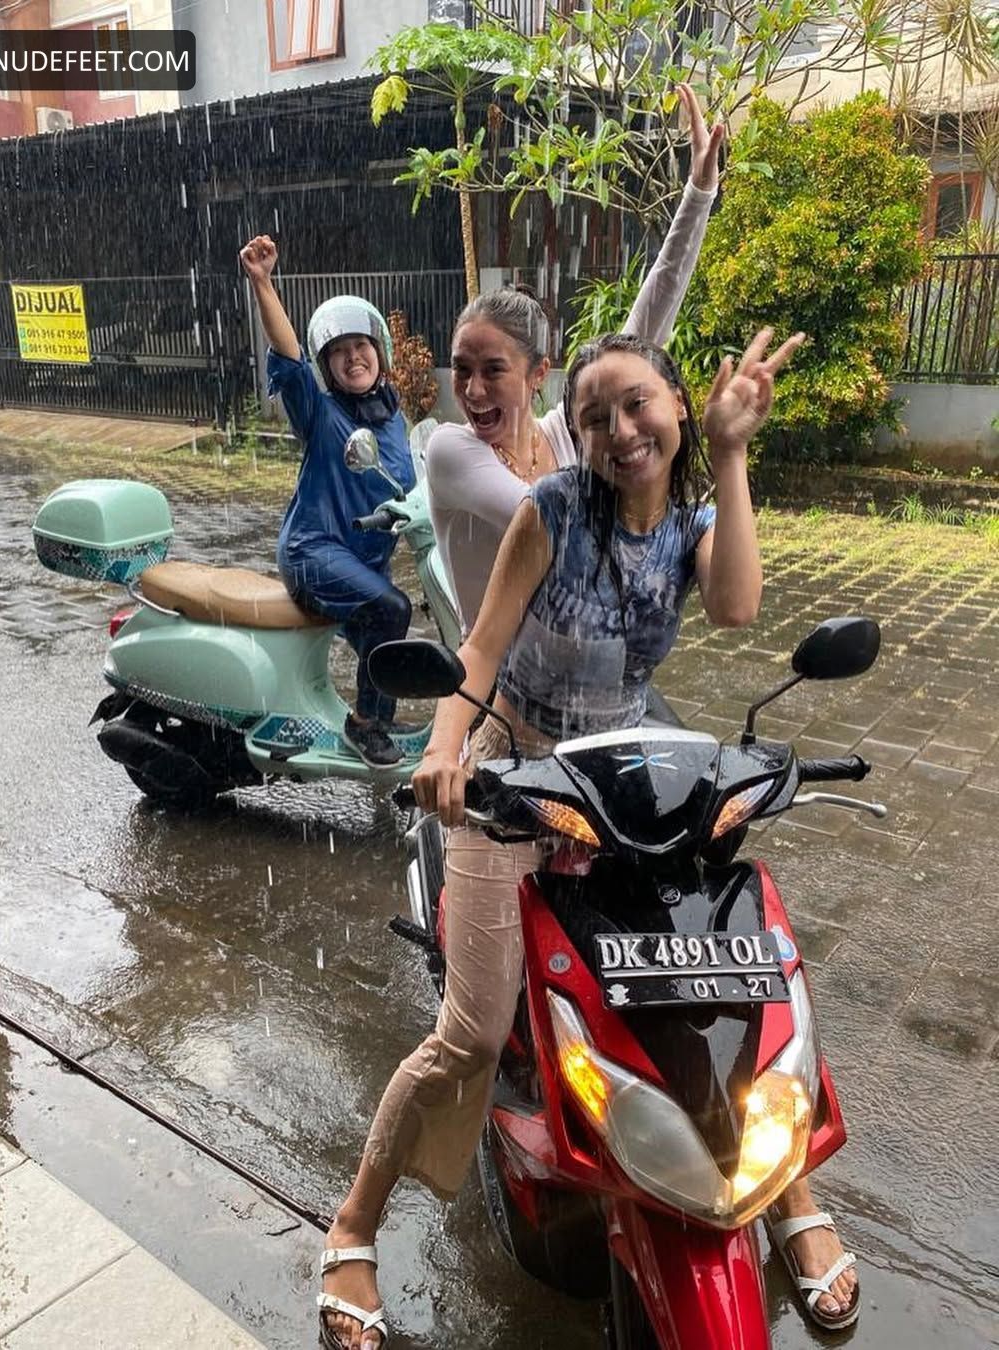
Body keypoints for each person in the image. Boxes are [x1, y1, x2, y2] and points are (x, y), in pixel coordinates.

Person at [318, 327, 861, 1349]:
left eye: (636, 404)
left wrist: (735, 453)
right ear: (578, 432)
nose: (620, 430)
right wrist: (446, 753)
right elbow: (480, 649)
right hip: (520, 776)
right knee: (472, 1034)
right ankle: (353, 1227)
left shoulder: (696, 519)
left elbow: (738, 607)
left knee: (731, 978)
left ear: (678, 407)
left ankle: (787, 1189)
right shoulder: (553, 509)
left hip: (630, 776)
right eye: (595, 415)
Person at [428, 83, 720, 637]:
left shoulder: (563, 435)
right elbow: (553, 521)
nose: (471, 389)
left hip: (587, 666)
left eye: (493, 370)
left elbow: (643, 333)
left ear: (538, 373)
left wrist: (698, 194)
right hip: (495, 680)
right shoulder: (450, 451)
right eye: (461, 369)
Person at [239, 236, 415, 767]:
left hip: (363, 561)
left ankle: (380, 716)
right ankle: (366, 725)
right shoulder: (320, 413)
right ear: (329, 365)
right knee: (392, 609)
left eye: (361, 345)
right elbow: (290, 360)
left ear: (380, 352)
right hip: (313, 552)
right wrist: (263, 283)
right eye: (339, 351)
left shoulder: (396, 421)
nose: (353, 357)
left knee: (389, 640)